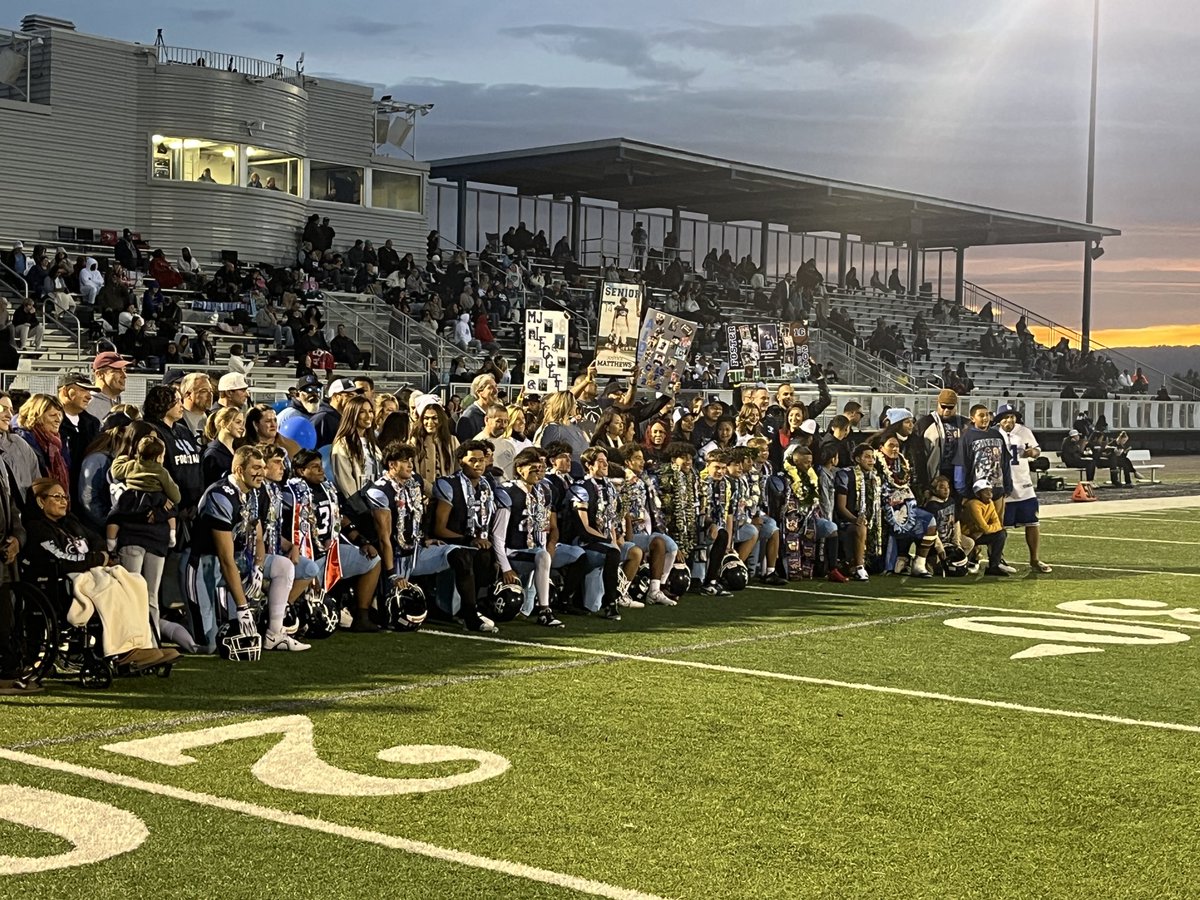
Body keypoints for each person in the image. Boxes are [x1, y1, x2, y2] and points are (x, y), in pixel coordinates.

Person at [187, 445, 309, 654]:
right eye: (255, 467)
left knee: (282, 566)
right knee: (208, 645)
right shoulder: (220, 496)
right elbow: (225, 558)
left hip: (239, 560)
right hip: (205, 564)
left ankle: (275, 633)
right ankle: (166, 628)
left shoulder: (253, 492)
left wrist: (258, 568)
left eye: (262, 467)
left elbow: (258, 536)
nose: (261, 472)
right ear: (238, 470)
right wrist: (243, 607)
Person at [105, 435, 191, 647]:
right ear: (160, 456)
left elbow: (115, 470)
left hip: (131, 537)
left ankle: (130, 640)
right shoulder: (161, 473)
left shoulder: (131, 470)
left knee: (129, 590)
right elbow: (176, 496)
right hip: (157, 539)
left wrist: (124, 455)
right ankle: (152, 642)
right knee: (152, 594)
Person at [284, 450, 381, 633]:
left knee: (373, 561)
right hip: (303, 556)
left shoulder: (327, 489)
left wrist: (361, 541)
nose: (321, 470)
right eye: (314, 467)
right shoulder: (290, 493)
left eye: (321, 466)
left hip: (330, 553)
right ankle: (285, 619)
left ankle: (362, 616)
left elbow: (340, 518)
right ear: (300, 471)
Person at [425, 441, 505, 632]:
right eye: (472, 460)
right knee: (465, 556)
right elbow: (439, 528)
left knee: (487, 556)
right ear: (461, 461)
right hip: (445, 541)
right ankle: (470, 613)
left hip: (472, 541)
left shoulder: (487, 485)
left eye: (481, 460)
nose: (478, 464)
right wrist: (469, 540)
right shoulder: (449, 484)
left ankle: (474, 606)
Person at [491, 447, 565, 627]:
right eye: (532, 468)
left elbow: (543, 527)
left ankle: (542, 608)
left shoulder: (543, 491)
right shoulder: (508, 491)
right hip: (512, 550)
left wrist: (547, 546)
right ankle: (544, 610)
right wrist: (506, 567)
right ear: (519, 469)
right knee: (542, 556)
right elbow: (497, 534)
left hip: (532, 550)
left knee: (543, 555)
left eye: (540, 468)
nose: (537, 473)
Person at [618, 443, 679, 605]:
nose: (642, 462)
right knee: (661, 543)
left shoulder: (643, 479)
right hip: (623, 534)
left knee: (668, 545)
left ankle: (656, 589)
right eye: (637, 458)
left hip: (643, 531)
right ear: (627, 462)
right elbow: (619, 509)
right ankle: (623, 592)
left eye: (642, 458)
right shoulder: (622, 480)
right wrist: (628, 521)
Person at [571, 448, 629, 619]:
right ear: (589, 465)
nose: (605, 464)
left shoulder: (609, 487)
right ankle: (612, 603)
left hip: (604, 541)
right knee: (612, 553)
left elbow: (610, 519)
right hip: (585, 542)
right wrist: (607, 541)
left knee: (628, 549)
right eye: (600, 461)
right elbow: (583, 527)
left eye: (606, 460)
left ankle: (621, 593)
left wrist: (614, 537)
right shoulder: (581, 488)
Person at [995, 404, 1052, 573]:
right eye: (1005, 417)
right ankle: (998, 559)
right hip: (1002, 486)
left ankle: (1034, 559)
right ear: (999, 420)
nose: (1009, 420)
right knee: (999, 527)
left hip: (1024, 484)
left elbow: (1037, 450)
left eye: (1012, 417)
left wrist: (1033, 453)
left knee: (1033, 522)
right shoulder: (993, 433)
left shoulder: (1024, 431)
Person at [834, 443, 883, 582]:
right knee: (861, 526)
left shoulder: (875, 478)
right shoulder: (845, 475)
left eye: (873, 457)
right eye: (867, 457)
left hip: (868, 520)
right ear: (857, 459)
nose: (871, 460)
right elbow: (841, 507)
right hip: (845, 520)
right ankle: (859, 567)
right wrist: (855, 519)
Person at [331, 395, 382, 501]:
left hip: (374, 501)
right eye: (362, 412)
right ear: (352, 415)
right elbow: (346, 482)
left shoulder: (372, 443)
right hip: (357, 507)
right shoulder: (342, 445)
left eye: (370, 411)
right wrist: (362, 510)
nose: (369, 416)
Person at [410, 394, 459, 496]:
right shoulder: (414, 442)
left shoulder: (452, 441)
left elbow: (458, 469)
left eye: (434, 418)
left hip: (448, 496)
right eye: (426, 418)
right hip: (422, 495)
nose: (430, 422)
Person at [961, 481, 1012, 576]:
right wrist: (985, 530)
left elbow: (997, 524)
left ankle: (994, 566)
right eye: (985, 492)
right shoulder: (973, 505)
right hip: (966, 535)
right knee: (999, 534)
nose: (990, 494)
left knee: (1001, 533)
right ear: (978, 494)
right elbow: (984, 527)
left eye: (990, 491)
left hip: (977, 534)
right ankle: (972, 560)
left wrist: (984, 531)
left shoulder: (990, 503)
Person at [534, 390, 590, 460]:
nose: (576, 406)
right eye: (574, 403)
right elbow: (548, 455)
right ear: (567, 406)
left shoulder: (575, 427)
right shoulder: (553, 429)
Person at [311, 379, 364, 448]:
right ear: (336, 397)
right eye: (350, 395)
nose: (354, 399)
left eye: (356, 396)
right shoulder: (322, 418)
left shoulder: (346, 417)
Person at [202, 407, 245, 484]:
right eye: (238, 422)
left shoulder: (238, 450)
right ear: (223, 423)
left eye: (243, 423)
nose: (242, 428)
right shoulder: (212, 454)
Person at [86, 351, 131, 420]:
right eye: (117, 370)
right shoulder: (86, 405)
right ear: (99, 374)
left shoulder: (121, 403)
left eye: (124, 370)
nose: (125, 375)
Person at [455, 374, 499, 443]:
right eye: (490, 387)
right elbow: (465, 449)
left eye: (496, 387)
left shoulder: (495, 413)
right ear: (479, 392)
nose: (496, 391)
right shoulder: (468, 418)